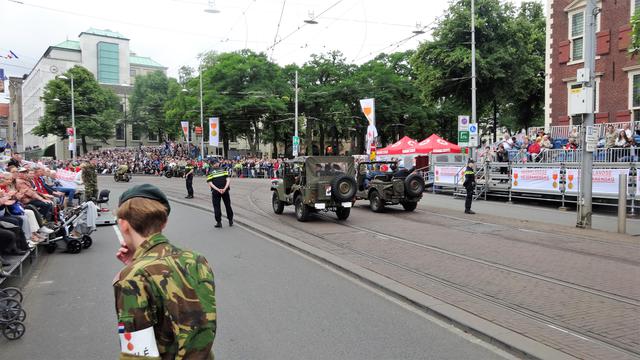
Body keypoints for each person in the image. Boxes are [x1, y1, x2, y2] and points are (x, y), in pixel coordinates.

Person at [113, 184, 216, 360]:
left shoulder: (132, 277)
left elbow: (138, 354)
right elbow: (198, 328)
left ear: (123, 224)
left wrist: (129, 272)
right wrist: (135, 263)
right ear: (164, 222)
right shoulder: (196, 260)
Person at [207, 163, 234, 228]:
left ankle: (219, 222)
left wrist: (218, 189)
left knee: (217, 206)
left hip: (216, 191)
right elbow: (228, 180)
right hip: (225, 191)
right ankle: (230, 220)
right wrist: (224, 188)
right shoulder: (223, 169)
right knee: (228, 205)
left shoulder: (210, 171)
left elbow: (210, 182)